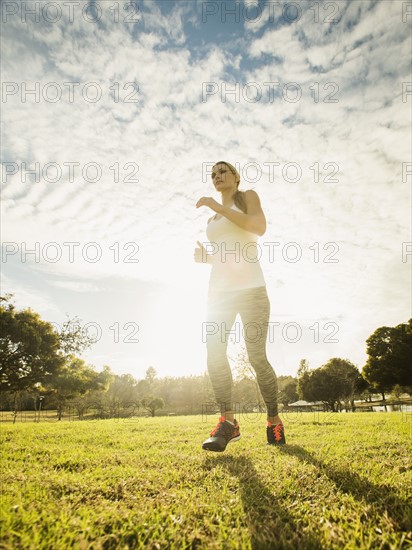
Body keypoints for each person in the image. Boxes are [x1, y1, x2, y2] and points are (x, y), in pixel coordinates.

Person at [194, 161, 286, 452]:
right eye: (213, 174)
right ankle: (228, 423)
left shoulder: (248, 199)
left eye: (223, 171)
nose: (217, 176)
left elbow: (258, 228)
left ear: (235, 177)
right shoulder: (211, 223)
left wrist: (217, 207)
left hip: (252, 291)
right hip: (219, 293)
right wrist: (205, 258)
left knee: (256, 356)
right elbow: (226, 256)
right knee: (215, 353)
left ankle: (274, 421)